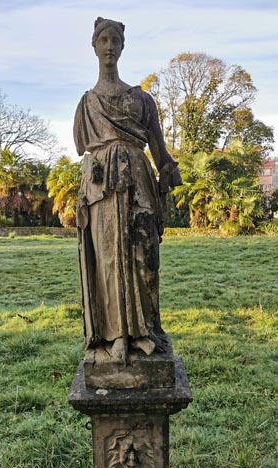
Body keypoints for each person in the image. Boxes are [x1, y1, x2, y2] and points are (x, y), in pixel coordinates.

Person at [74, 17, 182, 364]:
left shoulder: (141, 99)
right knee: (108, 260)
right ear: (94, 46)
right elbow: (85, 151)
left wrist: (168, 171)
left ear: (122, 47)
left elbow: (160, 150)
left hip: (138, 182)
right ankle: (117, 334)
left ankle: (146, 329)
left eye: (115, 40)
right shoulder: (87, 103)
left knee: (144, 257)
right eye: (103, 40)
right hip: (101, 187)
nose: (109, 46)